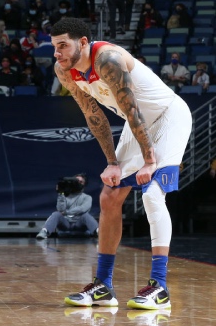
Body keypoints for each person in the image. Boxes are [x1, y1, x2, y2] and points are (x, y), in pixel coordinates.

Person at [51, 17, 192, 310]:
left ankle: (160, 287)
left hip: (168, 116)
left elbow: (132, 108)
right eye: (54, 46)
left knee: (153, 193)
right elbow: (95, 116)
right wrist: (112, 162)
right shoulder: (65, 72)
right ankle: (103, 286)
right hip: (135, 123)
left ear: (83, 43)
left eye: (63, 45)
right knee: (110, 196)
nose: (57, 53)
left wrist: (150, 160)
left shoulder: (108, 59)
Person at [36, 174, 99, 239]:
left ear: (84, 184)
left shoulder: (87, 197)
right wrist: (61, 194)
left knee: (86, 215)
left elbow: (83, 209)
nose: (78, 183)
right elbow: (60, 209)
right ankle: (44, 232)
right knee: (56, 214)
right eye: (77, 181)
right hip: (66, 224)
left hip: (79, 224)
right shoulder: (65, 196)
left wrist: (67, 212)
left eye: (81, 182)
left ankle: (98, 232)